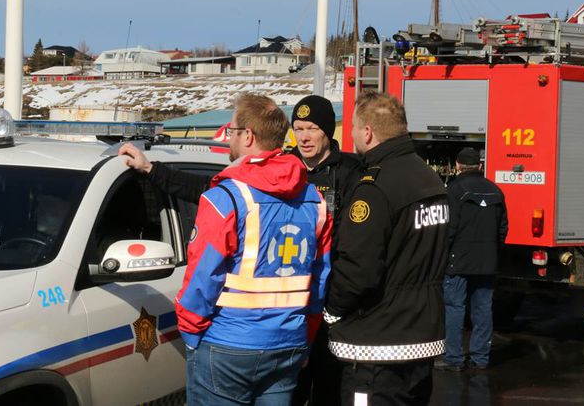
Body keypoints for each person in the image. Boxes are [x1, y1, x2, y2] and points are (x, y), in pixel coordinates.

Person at [124, 94, 333, 405]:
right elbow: (319, 280)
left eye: (232, 130)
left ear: (248, 136)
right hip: (288, 343)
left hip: (229, 345)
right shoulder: (315, 201)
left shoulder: (227, 198)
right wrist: (305, 336)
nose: (229, 136)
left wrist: (193, 334)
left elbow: (203, 276)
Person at [323, 92, 449, 406]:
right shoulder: (429, 179)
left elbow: (358, 268)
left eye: (352, 127)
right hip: (422, 336)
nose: (350, 135)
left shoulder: (375, 187)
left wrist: (331, 310)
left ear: (368, 132)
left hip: (377, 346)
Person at [289, 95, 362, 406]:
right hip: (292, 305)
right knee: (291, 392)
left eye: (312, 128)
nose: (304, 137)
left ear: (328, 132)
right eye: (298, 128)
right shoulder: (284, 167)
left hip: (334, 306)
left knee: (331, 391)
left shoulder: (352, 171)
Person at [435, 147, 508, 372]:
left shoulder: (453, 190)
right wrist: (493, 250)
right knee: (483, 309)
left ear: (457, 165)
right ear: (480, 166)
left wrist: (442, 255)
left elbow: (449, 228)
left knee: (455, 307)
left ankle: (454, 358)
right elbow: (503, 229)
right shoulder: (496, 191)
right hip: (487, 262)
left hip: (458, 260)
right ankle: (481, 358)